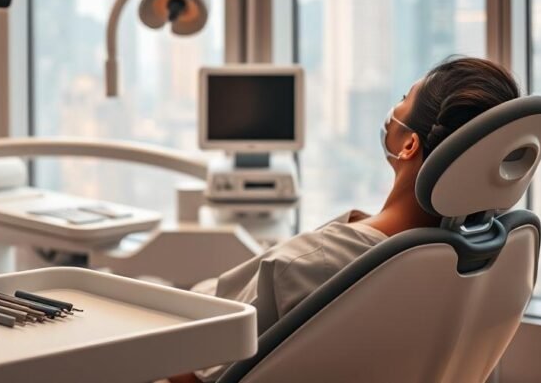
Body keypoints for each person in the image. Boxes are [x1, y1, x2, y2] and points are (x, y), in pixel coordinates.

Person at [173, 56, 521, 383]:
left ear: (410, 145)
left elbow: (191, 373)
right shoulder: (487, 265)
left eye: (404, 97)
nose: (394, 109)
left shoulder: (309, 263)